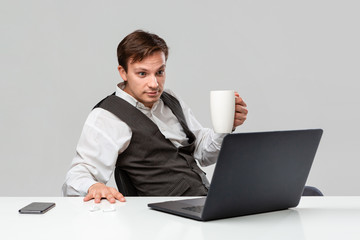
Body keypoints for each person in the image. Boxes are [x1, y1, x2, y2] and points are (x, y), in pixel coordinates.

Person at [62, 30, 248, 203]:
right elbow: (77, 175)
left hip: (204, 200)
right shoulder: (107, 117)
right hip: (161, 217)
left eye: (160, 72)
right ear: (123, 72)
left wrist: (225, 127)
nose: (154, 84)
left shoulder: (171, 100)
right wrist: (94, 186)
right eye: (142, 74)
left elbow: (203, 152)